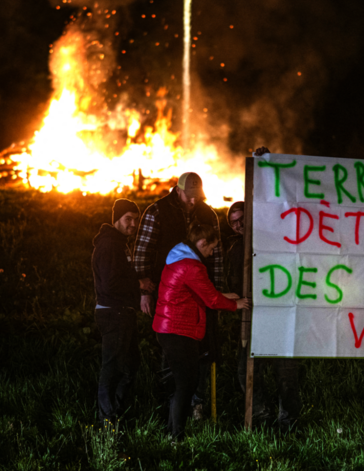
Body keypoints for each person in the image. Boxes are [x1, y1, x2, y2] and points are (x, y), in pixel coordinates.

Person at [134, 172, 225, 419]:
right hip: (171, 295)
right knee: (173, 347)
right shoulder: (157, 212)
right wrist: (145, 291)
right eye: (190, 197)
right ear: (178, 190)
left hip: (199, 293)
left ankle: (197, 403)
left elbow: (216, 256)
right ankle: (171, 404)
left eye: (198, 197)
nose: (194, 202)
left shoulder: (208, 214)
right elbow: (143, 250)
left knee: (203, 347)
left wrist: (215, 291)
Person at [152, 223, 250, 441]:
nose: (212, 253)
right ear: (202, 243)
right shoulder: (192, 266)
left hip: (169, 328)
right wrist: (238, 304)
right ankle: (176, 437)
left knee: (180, 383)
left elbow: (201, 291)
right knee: (186, 384)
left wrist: (227, 296)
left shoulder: (179, 256)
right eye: (211, 248)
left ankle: (171, 432)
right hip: (179, 331)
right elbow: (212, 300)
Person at [228, 199, 302, 432]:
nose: (238, 225)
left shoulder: (275, 242)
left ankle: (289, 420)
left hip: (279, 316)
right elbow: (232, 281)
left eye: (241, 219)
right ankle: (261, 413)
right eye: (233, 222)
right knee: (246, 369)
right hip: (251, 318)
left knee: (286, 370)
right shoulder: (235, 249)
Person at [91, 199, 144, 423]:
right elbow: (110, 284)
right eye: (128, 219)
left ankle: (116, 414)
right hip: (115, 313)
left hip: (121, 312)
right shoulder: (111, 245)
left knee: (129, 365)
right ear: (117, 219)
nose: (133, 224)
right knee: (113, 369)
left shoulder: (118, 243)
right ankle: (108, 420)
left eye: (136, 219)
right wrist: (139, 284)